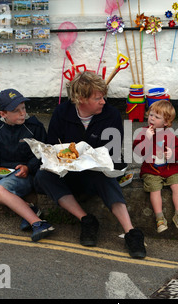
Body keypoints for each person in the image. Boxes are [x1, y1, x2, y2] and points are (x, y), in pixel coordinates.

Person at [34, 71, 146, 259]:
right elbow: (53, 146)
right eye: (98, 98)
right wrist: (66, 159)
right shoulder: (62, 113)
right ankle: (86, 220)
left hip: (95, 173)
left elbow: (112, 151)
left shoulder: (111, 115)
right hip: (68, 173)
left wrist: (90, 159)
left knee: (106, 176)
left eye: (103, 97)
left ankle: (131, 232)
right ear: (80, 98)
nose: (103, 101)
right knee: (42, 176)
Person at [0, 89, 54, 242]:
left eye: (23, 108)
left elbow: (43, 153)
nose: (22, 113)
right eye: (16, 111)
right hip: (3, 172)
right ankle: (29, 209)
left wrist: (28, 167)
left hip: (26, 174)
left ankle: (38, 224)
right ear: (3, 114)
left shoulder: (34, 127)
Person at [132, 100, 178, 233]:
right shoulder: (143, 133)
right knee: (155, 189)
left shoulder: (171, 136)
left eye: (157, 117)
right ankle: (159, 218)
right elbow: (138, 152)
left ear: (166, 122)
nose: (152, 119)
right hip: (151, 170)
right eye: (151, 115)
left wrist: (173, 154)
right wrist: (148, 139)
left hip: (170, 170)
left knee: (177, 185)